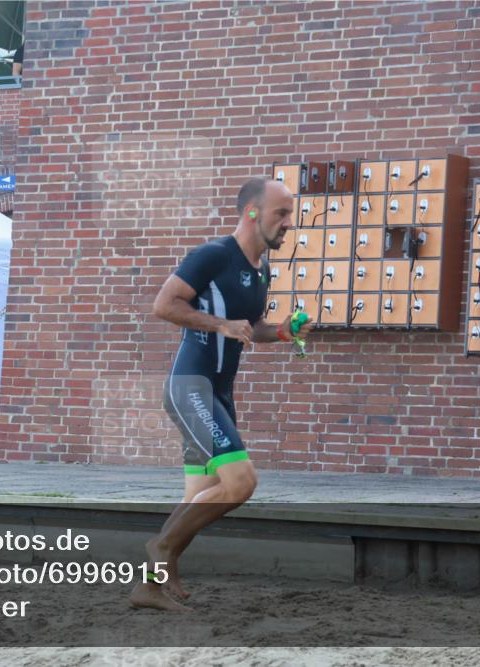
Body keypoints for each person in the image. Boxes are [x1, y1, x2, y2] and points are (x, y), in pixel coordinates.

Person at [130, 178, 314, 612]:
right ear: (252, 212)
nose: (290, 223)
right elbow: (164, 304)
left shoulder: (261, 269)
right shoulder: (213, 255)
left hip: (217, 393)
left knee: (202, 496)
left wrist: (283, 331)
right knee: (240, 481)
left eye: (291, 214)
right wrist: (219, 325)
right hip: (190, 387)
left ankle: (148, 587)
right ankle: (160, 547)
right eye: (281, 213)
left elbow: (252, 327)